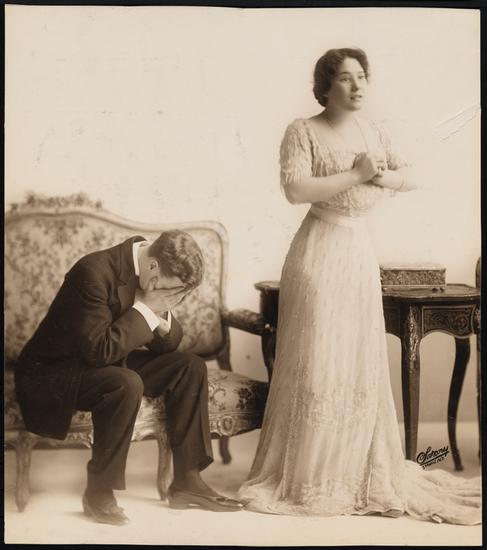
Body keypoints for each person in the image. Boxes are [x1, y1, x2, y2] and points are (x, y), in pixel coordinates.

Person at [238, 48, 481, 524]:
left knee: (355, 362)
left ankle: (356, 471)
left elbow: (414, 177)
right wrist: (356, 174)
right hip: (318, 253)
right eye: (346, 79)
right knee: (319, 361)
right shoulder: (303, 131)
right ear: (325, 87)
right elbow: (295, 189)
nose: (357, 86)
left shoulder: (374, 130)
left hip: (357, 254)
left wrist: (384, 176)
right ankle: (312, 477)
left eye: (362, 77)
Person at [15, 230, 243, 526]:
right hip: (55, 371)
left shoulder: (153, 273)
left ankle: (187, 481)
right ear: (153, 268)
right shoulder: (92, 272)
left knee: (190, 366)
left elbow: (168, 345)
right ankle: (98, 491)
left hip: (104, 359)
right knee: (126, 383)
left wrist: (159, 313)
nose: (171, 299)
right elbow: (99, 351)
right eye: (170, 292)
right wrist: (147, 308)